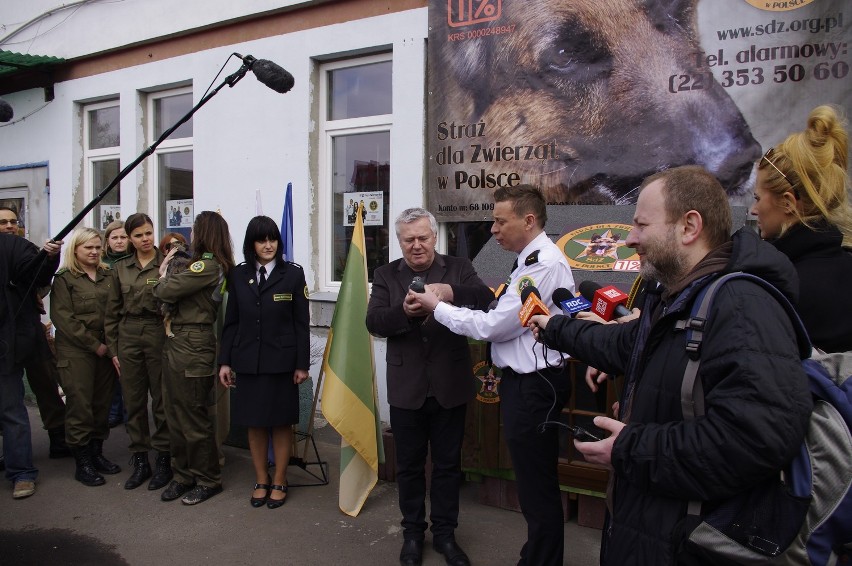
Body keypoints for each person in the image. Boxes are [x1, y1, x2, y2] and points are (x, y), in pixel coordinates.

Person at [528, 165, 812, 565]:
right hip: (651, 532)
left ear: (689, 226)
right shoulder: (675, 298)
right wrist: (556, 328)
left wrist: (631, 447)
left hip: (690, 545)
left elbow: (756, 439)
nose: (629, 239)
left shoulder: (742, 307)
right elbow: (623, 344)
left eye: (642, 225)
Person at [413, 185, 576, 566]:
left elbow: (493, 327)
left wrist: (437, 307)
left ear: (529, 220)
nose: (492, 229)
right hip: (530, 384)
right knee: (535, 483)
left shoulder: (542, 264)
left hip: (537, 385)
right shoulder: (528, 261)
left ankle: (541, 560)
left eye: (501, 221)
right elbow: (502, 304)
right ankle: (537, 554)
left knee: (537, 487)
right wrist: (452, 293)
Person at [366, 208, 494, 566]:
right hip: (408, 387)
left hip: (450, 384)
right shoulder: (385, 274)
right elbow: (373, 321)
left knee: (448, 465)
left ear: (434, 236)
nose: (417, 245)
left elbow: (485, 299)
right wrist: (405, 313)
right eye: (409, 240)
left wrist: (449, 292)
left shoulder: (457, 267)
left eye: (423, 238)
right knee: (408, 466)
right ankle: (412, 535)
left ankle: (444, 535)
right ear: (400, 241)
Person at [218, 216, 310, 509]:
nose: (268, 245)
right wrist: (225, 362)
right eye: (262, 240)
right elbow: (231, 322)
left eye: (272, 239)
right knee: (255, 425)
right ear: (252, 244)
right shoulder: (238, 274)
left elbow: (301, 324)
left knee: (281, 424)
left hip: (282, 363)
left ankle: (280, 479)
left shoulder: (293, 274)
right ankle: (261, 478)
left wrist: (302, 364)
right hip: (248, 362)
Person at [750, 104, 852, 353]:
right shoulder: (845, 266)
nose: (753, 211)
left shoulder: (780, 286)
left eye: (757, 199)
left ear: (787, 203)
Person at [153, 211, 233, 505]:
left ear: (205, 233)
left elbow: (164, 289)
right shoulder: (198, 265)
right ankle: (182, 476)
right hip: (177, 340)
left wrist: (161, 279)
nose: (192, 235)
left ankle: (208, 479)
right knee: (173, 414)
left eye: (196, 230)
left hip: (194, 343)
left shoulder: (208, 266)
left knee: (193, 417)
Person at [104, 213, 173, 491]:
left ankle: (164, 459)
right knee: (133, 401)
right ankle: (141, 459)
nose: (145, 239)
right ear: (129, 239)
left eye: (148, 233)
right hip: (128, 334)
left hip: (157, 332)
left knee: (161, 399)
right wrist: (113, 350)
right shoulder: (121, 268)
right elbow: (111, 312)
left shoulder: (166, 263)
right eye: (139, 235)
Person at [51, 228, 123, 487]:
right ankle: (82, 462)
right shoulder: (65, 278)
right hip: (78, 350)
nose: (94, 252)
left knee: (101, 404)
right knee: (80, 404)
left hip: (106, 346)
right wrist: (95, 345)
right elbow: (64, 319)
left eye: (96, 247)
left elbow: (116, 309)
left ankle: (97, 454)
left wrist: (110, 346)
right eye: (88, 248)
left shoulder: (108, 274)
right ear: (76, 250)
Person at [0, 205, 69, 460]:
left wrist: (49, 257)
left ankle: (58, 437)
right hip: (6, 336)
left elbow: (41, 282)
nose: (9, 226)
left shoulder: (25, 249)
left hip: (31, 330)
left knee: (46, 384)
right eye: (3, 222)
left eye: (12, 222)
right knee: (9, 399)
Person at [102, 220, 130, 429]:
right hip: (105, 321)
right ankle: (114, 410)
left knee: (128, 371)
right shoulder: (101, 263)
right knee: (109, 371)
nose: (119, 241)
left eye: (123, 237)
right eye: (115, 237)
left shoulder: (134, 261)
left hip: (128, 324)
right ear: (108, 241)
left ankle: (130, 412)